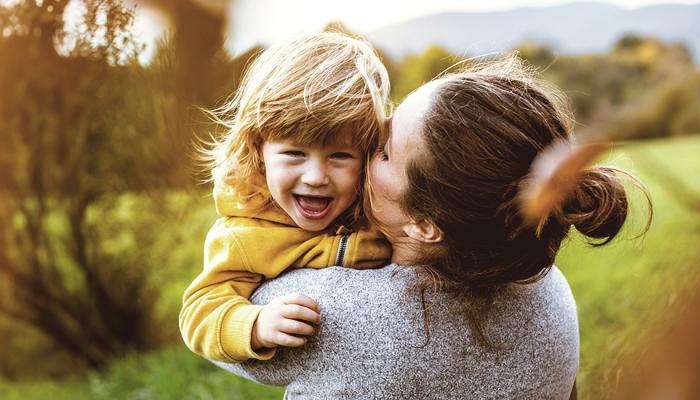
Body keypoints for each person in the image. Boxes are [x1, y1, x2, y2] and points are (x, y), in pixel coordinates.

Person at [214, 56, 651, 399]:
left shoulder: (325, 311)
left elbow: (219, 314)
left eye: (382, 152)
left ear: (424, 224)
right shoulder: (550, 290)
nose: (364, 150)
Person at [179, 32, 393, 364]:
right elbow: (199, 311)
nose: (316, 177)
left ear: (367, 156)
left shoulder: (378, 205)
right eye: (294, 154)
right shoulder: (245, 234)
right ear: (258, 151)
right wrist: (255, 325)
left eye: (340, 156)